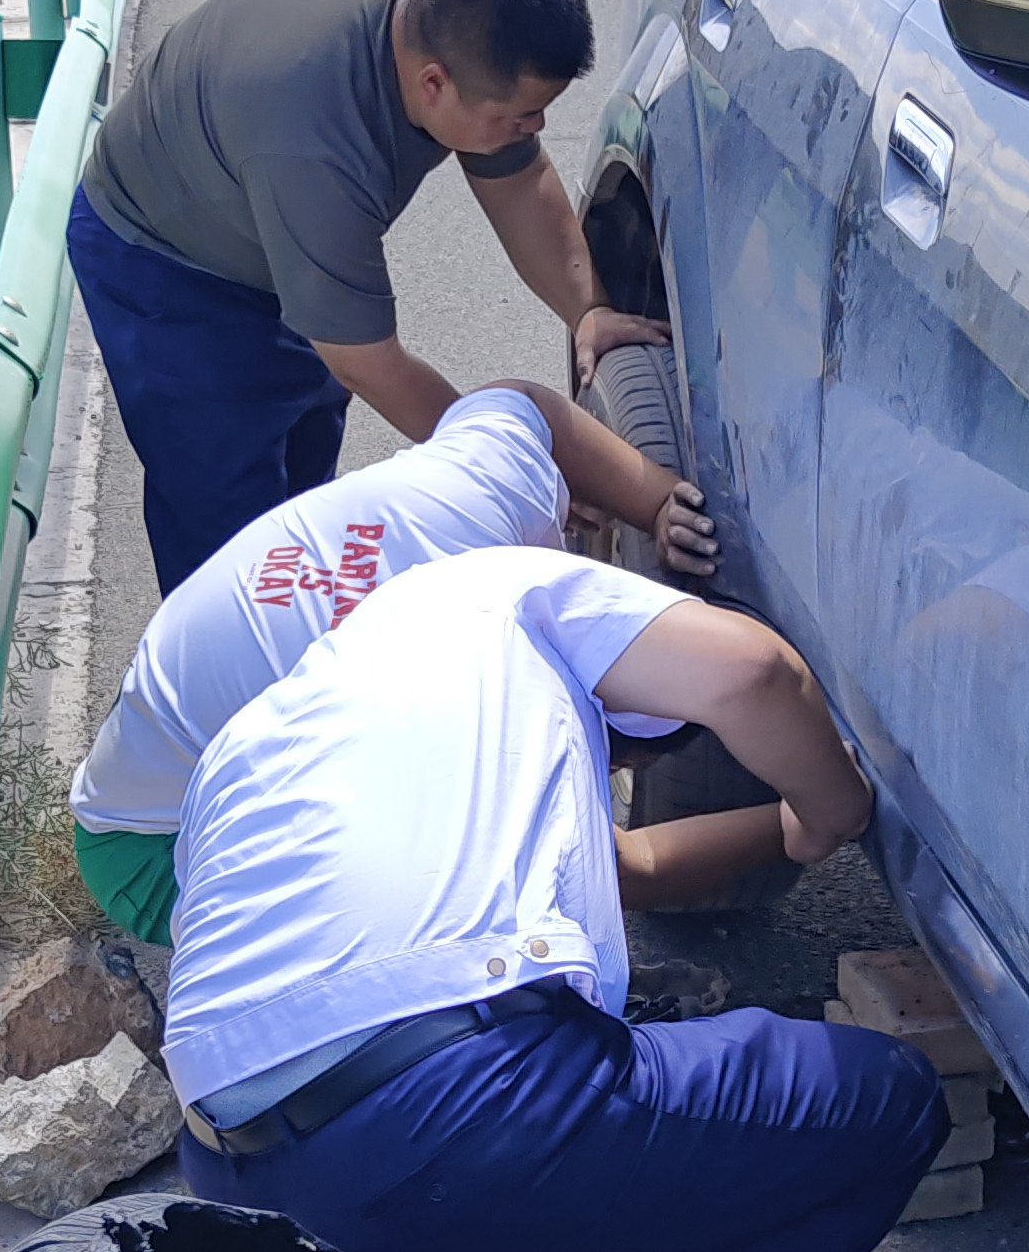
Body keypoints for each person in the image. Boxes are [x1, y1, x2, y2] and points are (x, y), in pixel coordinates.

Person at [156, 547, 949, 1252]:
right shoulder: (512, 593)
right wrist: (836, 809)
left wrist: (781, 833)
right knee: (880, 1108)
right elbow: (753, 671)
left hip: (235, 1190)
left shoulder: (307, 718)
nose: (619, 763)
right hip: (445, 1124)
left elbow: (628, 865)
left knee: (503, 1147)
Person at [70, 0, 671, 591]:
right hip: (164, 260)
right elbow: (366, 362)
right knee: (233, 534)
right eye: (517, 116)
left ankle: (308, 636)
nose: (535, 130)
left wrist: (587, 309)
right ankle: (233, 687)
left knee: (304, 481)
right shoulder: (310, 136)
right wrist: (516, 465)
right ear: (434, 84)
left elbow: (521, 180)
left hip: (270, 225)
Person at [66, 378, 716, 944]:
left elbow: (526, 406)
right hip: (155, 850)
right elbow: (613, 866)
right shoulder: (464, 701)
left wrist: (657, 499)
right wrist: (803, 827)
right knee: (471, 906)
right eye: (614, 767)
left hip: (159, 757)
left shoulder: (491, 498)